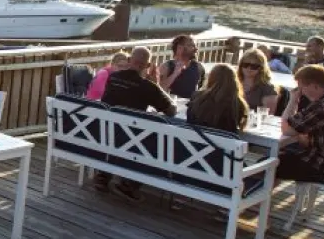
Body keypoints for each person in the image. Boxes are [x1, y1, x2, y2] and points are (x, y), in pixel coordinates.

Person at [97, 47, 177, 200]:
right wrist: (156, 84)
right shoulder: (147, 87)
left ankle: (103, 176)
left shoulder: (113, 78)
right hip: (131, 139)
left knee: (117, 129)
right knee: (156, 140)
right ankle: (129, 185)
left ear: (128, 61)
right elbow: (171, 110)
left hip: (105, 134)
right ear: (148, 66)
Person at [186, 63, 249, 134]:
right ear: (234, 82)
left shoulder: (197, 97)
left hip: (192, 142)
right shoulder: (238, 104)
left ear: (211, 79)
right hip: (221, 144)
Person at [237, 49, 281, 114]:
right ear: (241, 65)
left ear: (261, 68)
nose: (249, 68)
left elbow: (268, 114)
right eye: (245, 65)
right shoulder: (233, 82)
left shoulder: (268, 88)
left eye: (254, 66)